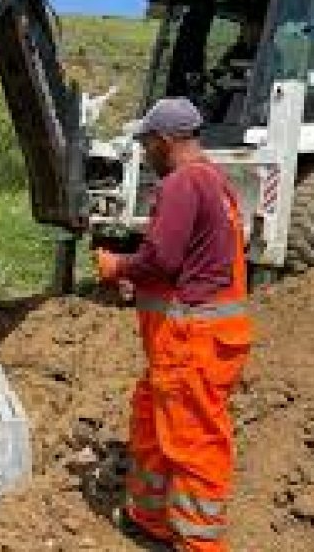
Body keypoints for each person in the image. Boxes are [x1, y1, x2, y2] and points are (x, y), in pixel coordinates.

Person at [93, 98, 252, 552]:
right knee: (152, 424)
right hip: (189, 342)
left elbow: (162, 257)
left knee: (192, 442)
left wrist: (117, 266)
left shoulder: (182, 183)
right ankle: (151, 520)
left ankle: (199, 543)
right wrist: (140, 286)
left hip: (191, 345)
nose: (144, 154)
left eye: (146, 145)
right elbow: (187, 267)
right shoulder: (214, 182)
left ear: (164, 141)